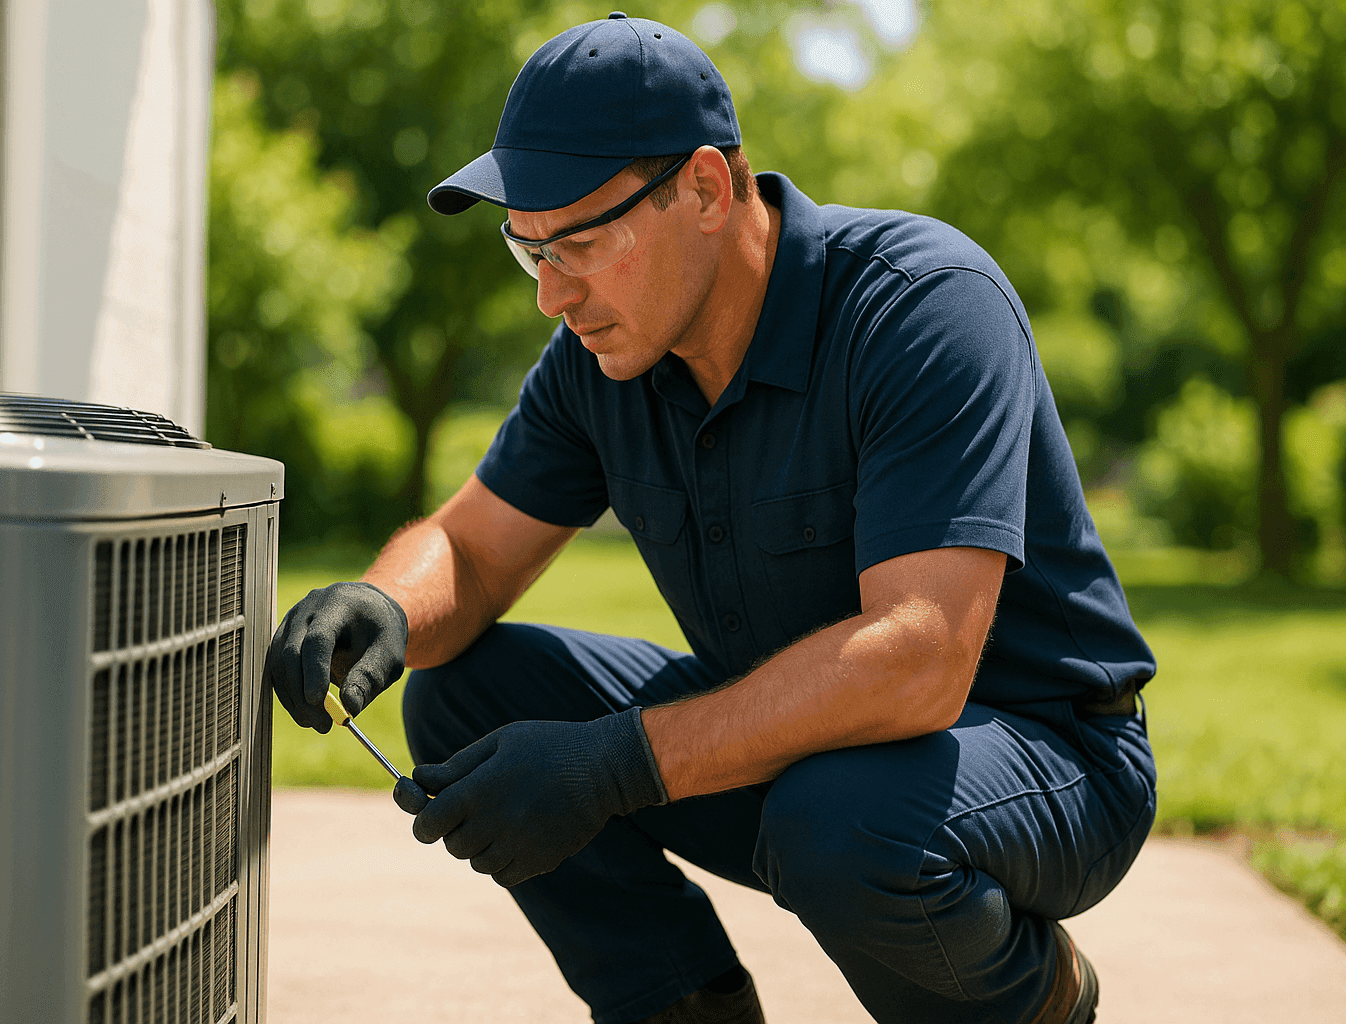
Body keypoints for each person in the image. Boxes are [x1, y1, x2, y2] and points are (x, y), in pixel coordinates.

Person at [265, 12, 1156, 1024]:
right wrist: (382, 603)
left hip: (1046, 762)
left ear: (705, 187)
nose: (553, 294)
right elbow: (468, 548)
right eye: (529, 251)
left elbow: (920, 659)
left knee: (844, 823)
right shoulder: (600, 362)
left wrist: (610, 766)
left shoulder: (921, 306)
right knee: (468, 693)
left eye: (583, 242)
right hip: (801, 757)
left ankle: (1039, 999)